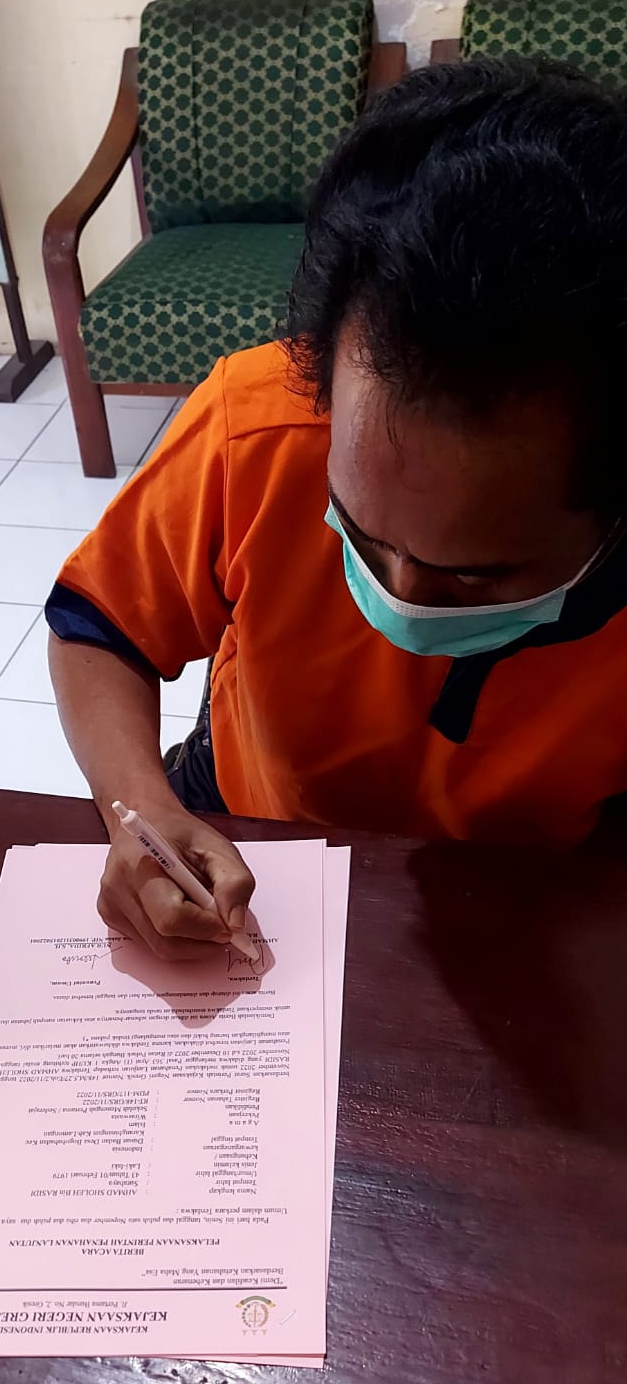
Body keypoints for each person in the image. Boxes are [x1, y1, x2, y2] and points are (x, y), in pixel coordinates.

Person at [47, 57, 627, 960]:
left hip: (525, 896)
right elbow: (99, 628)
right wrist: (138, 812)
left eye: (474, 577)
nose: (399, 597)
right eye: (356, 533)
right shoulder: (257, 425)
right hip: (252, 831)